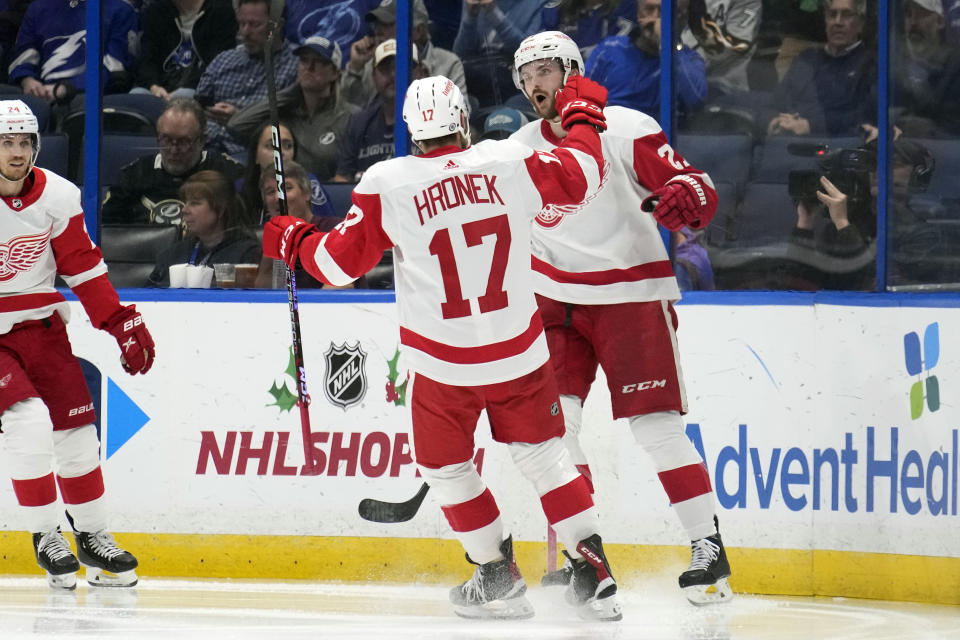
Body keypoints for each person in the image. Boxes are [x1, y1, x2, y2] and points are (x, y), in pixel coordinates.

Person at [263, 74, 623, 621]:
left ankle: (495, 572)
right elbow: (584, 175)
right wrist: (581, 118)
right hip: (519, 351)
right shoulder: (507, 160)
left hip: (445, 363)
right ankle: (592, 564)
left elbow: (337, 265)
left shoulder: (389, 180)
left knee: (444, 465)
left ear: (412, 132)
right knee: (546, 458)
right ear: (462, 121)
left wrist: (294, 238)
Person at [510, 31, 731, 605]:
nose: (538, 83)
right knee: (557, 434)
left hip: (630, 296)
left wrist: (690, 197)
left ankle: (708, 548)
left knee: (655, 428)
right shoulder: (519, 146)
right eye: (527, 74)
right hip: (555, 303)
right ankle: (585, 556)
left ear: (574, 71)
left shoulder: (625, 127)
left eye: (548, 70)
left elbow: (696, 185)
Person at [0, 99, 154, 589]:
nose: (18, 152)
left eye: (25, 142)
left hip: (42, 330)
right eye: (7, 142)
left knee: (78, 434)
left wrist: (120, 322)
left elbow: (82, 267)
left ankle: (92, 536)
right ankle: (46, 535)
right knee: (28, 425)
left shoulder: (58, 196)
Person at [228, 36, 358, 181]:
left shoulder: (350, 117)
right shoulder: (285, 112)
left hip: (327, 195)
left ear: (335, 73)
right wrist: (291, 92)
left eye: (319, 61)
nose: (310, 67)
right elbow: (236, 126)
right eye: (304, 60)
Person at [101, 98, 245, 227]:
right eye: (166, 139)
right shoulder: (134, 174)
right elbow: (107, 229)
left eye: (183, 142)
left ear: (202, 141)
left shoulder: (226, 173)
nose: (173, 149)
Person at [194, 0, 298, 156]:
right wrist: (209, 110)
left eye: (255, 25)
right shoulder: (224, 59)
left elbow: (291, 126)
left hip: (250, 151)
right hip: (204, 145)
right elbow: (197, 104)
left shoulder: (296, 66)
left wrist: (242, 118)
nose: (245, 32)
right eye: (242, 24)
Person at [766, 0, 876, 137]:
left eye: (846, 15)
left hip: (834, 145)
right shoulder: (806, 59)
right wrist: (774, 121)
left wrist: (810, 125)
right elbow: (774, 103)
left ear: (860, 24)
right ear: (825, 21)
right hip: (786, 142)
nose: (838, 22)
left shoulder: (870, 64)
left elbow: (865, 116)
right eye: (832, 14)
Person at [585, 0, 707, 121]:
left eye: (665, 12)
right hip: (609, 130)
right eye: (649, 10)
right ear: (639, 14)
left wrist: (667, 46)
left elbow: (696, 103)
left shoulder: (688, 60)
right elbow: (578, 96)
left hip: (658, 135)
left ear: (682, 19)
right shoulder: (610, 49)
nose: (656, 19)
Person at [343, 0, 470, 108]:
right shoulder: (371, 65)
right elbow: (351, 114)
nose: (378, 31)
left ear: (418, 31)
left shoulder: (448, 63)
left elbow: (462, 113)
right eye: (377, 24)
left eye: (388, 24)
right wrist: (355, 69)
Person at [147, 170, 260, 287]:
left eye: (194, 203)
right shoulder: (173, 254)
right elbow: (144, 298)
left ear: (220, 209)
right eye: (185, 202)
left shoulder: (247, 254)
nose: (184, 210)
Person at [8, 0, 138, 101]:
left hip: (90, 98)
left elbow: (115, 68)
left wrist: (65, 89)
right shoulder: (38, 7)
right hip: (40, 95)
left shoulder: (121, 9)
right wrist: (27, 80)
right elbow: (24, 54)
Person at [333, 39, 423, 182]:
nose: (394, 75)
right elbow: (342, 178)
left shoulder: (435, 121)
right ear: (373, 75)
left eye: (402, 66)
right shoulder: (358, 122)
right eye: (386, 68)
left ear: (419, 72)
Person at [255, 160, 347, 289]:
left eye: (286, 188)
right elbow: (262, 293)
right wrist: (269, 254)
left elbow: (342, 286)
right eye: (270, 192)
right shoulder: (272, 237)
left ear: (307, 194)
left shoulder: (335, 229)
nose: (277, 197)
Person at [134, 0, 239, 101]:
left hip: (199, 85)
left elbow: (217, 62)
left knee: (182, 97)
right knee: (136, 95)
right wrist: (153, 86)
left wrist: (186, 87)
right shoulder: (156, 10)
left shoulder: (221, 10)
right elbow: (147, 59)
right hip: (161, 85)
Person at [453, 0, 549, 107]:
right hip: (476, 70)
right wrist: (470, 17)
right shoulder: (474, 2)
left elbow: (530, 52)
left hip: (514, 69)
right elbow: (460, 53)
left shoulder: (537, 3)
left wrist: (493, 14)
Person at [238, 121, 337, 225]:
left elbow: (328, 227)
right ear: (255, 156)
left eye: (288, 146)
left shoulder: (309, 181)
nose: (281, 152)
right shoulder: (240, 188)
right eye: (272, 146)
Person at [893, 0, 960, 136]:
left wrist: (929, 130)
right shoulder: (890, 62)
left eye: (921, 14)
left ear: (940, 21)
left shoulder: (955, 68)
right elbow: (869, 113)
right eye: (909, 14)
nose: (913, 22)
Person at [683, 0, 762, 98]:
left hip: (721, 87)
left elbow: (732, 48)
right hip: (678, 78)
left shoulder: (748, 2)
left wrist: (699, 20)